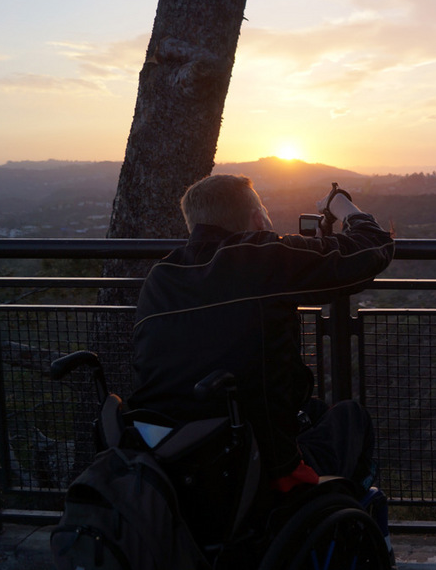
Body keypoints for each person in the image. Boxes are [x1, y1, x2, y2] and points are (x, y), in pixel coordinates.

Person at [128, 174, 394, 491]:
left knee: (316, 411)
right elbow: (370, 249)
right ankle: (353, 520)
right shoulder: (259, 257)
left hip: (174, 464)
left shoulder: (160, 278)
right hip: (258, 468)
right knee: (351, 418)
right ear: (257, 218)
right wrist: (341, 204)